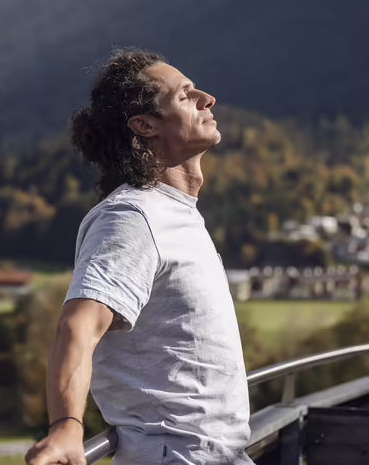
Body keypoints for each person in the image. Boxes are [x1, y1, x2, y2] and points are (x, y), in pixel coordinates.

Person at [25, 49, 252, 465]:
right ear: (145, 126)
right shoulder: (133, 216)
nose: (208, 98)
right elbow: (79, 324)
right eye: (185, 96)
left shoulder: (175, 214)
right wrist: (66, 427)